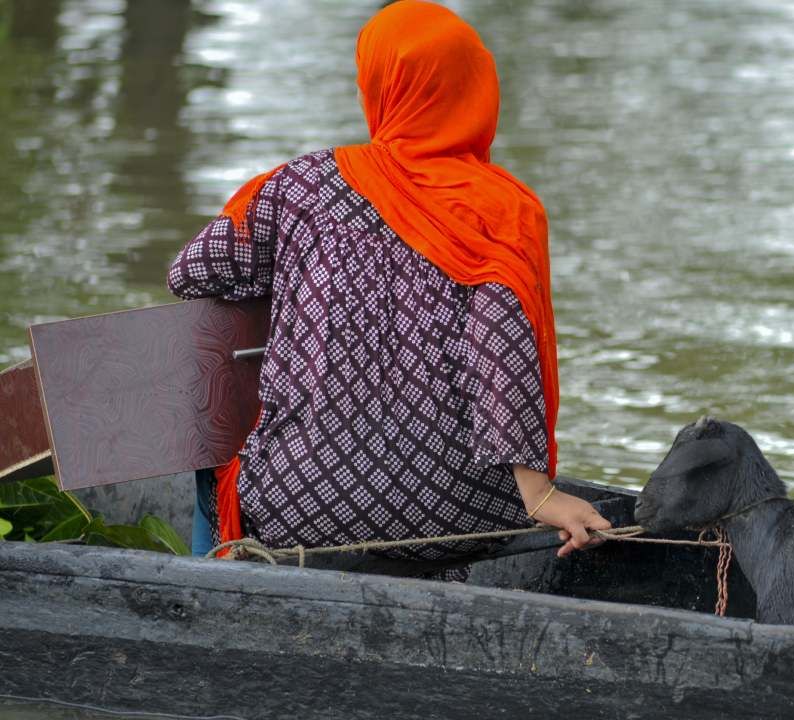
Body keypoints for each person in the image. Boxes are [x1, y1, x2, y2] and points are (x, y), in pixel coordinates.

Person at [168, 0, 611, 572]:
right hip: (466, 513)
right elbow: (500, 350)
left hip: (303, 505)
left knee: (212, 442)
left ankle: (211, 587)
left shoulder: (298, 186)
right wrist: (541, 495)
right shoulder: (504, 210)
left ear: (380, 89)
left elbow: (191, 274)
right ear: (477, 92)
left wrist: (304, 280)